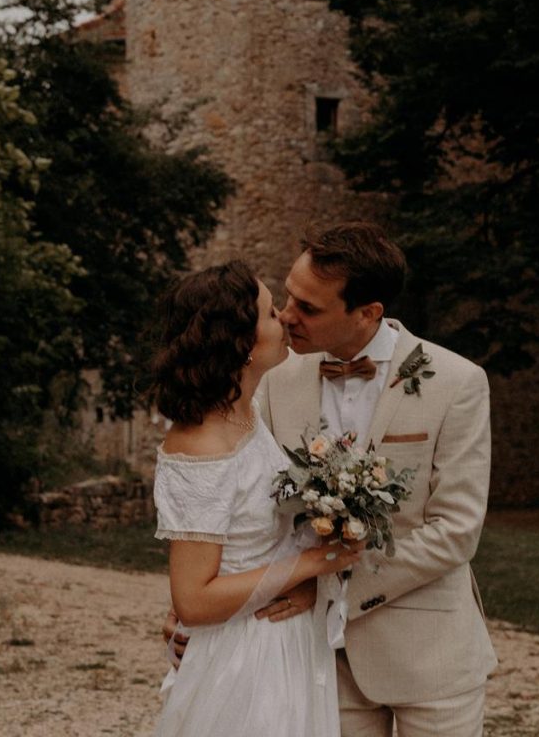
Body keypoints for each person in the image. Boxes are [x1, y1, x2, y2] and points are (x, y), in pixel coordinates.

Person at [254, 221, 498, 737]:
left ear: (368, 313)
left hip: (430, 655)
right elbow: (256, 507)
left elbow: (456, 530)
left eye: (309, 308)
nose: (286, 316)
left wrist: (325, 584)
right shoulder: (276, 382)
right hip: (318, 656)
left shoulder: (457, 383)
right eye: (288, 296)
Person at [150, 260, 361, 737]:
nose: (285, 318)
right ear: (242, 344)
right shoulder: (202, 447)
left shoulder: (246, 415)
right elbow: (194, 599)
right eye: (270, 314)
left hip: (282, 641)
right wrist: (313, 563)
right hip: (245, 659)